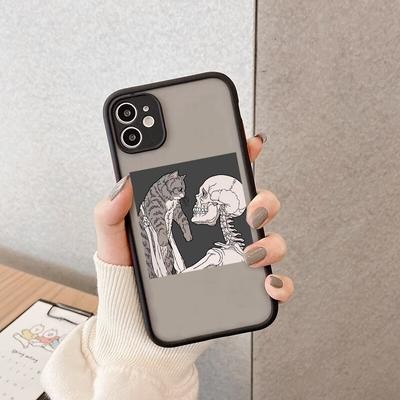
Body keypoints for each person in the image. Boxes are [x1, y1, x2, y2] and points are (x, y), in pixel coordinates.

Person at [41, 135, 294, 400]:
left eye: (203, 195)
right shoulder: (161, 205)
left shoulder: (210, 245)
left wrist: (132, 360)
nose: (191, 198)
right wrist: (139, 359)